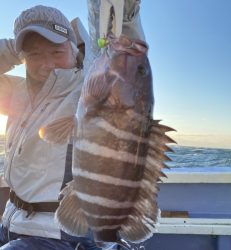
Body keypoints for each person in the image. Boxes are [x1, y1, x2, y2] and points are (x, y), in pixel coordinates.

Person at [0, 2, 146, 250]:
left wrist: (127, 17)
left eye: (56, 52)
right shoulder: (16, 91)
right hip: (12, 224)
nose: (46, 64)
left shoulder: (91, 88)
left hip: (66, 234)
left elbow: (129, 71)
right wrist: (17, 45)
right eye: (34, 54)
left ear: (73, 47)